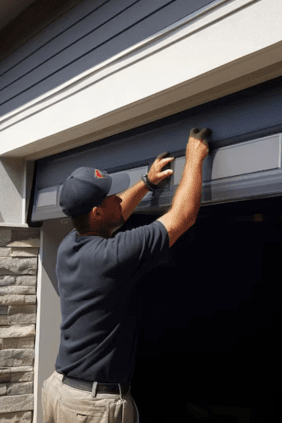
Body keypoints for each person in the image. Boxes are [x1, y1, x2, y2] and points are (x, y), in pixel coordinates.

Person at [41, 127, 211, 422]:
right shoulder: (112, 256)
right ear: (95, 212)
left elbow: (115, 217)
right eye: (109, 197)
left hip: (60, 392)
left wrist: (146, 183)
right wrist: (195, 156)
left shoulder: (71, 243)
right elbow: (183, 217)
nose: (117, 199)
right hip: (91, 406)